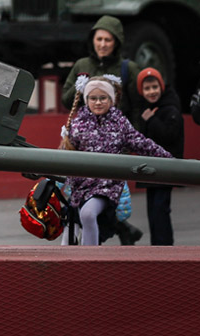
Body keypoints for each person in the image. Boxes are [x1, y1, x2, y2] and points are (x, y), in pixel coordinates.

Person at [59, 75, 170, 246]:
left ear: (111, 100)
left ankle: (89, 260)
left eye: (103, 98)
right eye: (93, 98)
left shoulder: (119, 123)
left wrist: (169, 159)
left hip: (107, 184)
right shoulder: (78, 124)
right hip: (81, 186)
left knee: (88, 214)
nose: (98, 102)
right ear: (86, 100)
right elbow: (65, 155)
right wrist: (55, 180)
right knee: (73, 226)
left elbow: (141, 143)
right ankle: (83, 256)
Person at [135, 67, 184, 245]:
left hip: (165, 170)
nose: (152, 92)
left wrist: (151, 120)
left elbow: (169, 135)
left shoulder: (170, 108)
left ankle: (165, 248)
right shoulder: (147, 109)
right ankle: (157, 247)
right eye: (147, 89)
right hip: (151, 170)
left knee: (160, 210)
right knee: (153, 212)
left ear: (161, 87)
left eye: (155, 87)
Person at [60, 16, 142, 120]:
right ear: (92, 40)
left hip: (119, 131)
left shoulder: (129, 68)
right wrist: (79, 85)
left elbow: (138, 108)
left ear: (116, 42)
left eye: (107, 40)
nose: (102, 45)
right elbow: (66, 102)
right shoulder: (81, 65)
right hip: (88, 131)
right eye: (99, 39)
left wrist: (133, 134)